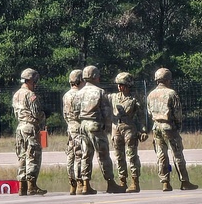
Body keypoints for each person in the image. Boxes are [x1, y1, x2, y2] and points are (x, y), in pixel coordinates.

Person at [76, 65, 126, 195]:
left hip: (83, 125)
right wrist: (107, 126)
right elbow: (106, 112)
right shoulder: (99, 92)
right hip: (95, 125)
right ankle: (110, 183)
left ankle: (86, 184)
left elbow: (75, 112)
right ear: (94, 77)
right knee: (103, 155)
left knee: (86, 155)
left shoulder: (79, 93)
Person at [147, 67, 198, 191]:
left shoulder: (151, 95)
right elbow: (177, 112)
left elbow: (149, 112)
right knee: (177, 154)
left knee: (161, 155)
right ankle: (184, 181)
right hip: (169, 126)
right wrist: (178, 125)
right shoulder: (171, 93)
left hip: (156, 127)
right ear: (168, 79)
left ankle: (165, 182)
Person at [110, 72, 148, 193]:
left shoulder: (134, 99)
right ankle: (122, 181)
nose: (120, 87)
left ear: (128, 85)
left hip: (129, 128)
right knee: (119, 156)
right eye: (119, 85)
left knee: (132, 155)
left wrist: (143, 130)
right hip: (116, 127)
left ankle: (135, 182)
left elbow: (141, 116)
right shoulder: (113, 97)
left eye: (122, 85)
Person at [13, 68, 47, 195]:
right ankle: (32, 185)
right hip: (30, 127)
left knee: (21, 156)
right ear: (30, 80)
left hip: (20, 127)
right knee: (32, 155)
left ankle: (22, 186)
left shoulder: (16, 94)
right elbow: (37, 113)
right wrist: (44, 116)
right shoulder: (30, 95)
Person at [62, 69, 83, 195]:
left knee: (70, 155)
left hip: (70, 126)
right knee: (79, 155)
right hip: (79, 127)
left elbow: (65, 114)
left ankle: (72, 183)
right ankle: (80, 182)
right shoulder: (80, 95)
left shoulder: (66, 95)